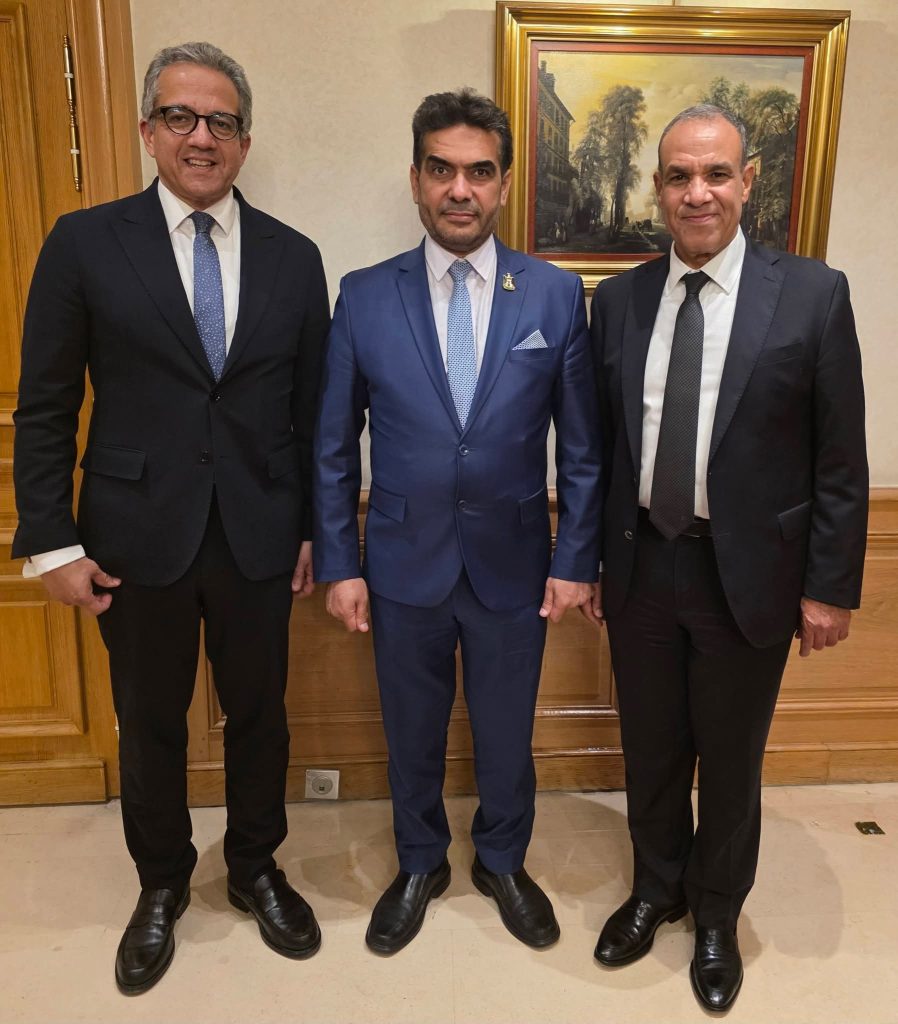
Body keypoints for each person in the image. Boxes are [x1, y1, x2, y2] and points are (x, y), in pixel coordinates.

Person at [12, 42, 330, 994]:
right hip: (132, 533)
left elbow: (312, 410)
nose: (202, 136)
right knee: (148, 719)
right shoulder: (83, 242)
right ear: (148, 130)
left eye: (221, 121)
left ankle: (255, 866)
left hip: (258, 532)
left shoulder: (294, 255)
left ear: (244, 141)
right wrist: (50, 540)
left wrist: (315, 529)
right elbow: (46, 405)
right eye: (181, 117)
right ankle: (161, 883)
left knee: (260, 715)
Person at [589, 104, 867, 1011]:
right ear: (658, 189)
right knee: (651, 748)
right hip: (641, 566)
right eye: (679, 176)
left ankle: (716, 913)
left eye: (716, 174)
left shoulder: (814, 295)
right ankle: (656, 887)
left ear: (749, 182)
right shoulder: (620, 302)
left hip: (748, 575)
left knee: (732, 758)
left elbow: (839, 460)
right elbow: (601, 448)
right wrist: (589, 560)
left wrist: (829, 588)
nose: (697, 192)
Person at [314, 88, 601, 955]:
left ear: (504, 183)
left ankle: (503, 861)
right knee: (411, 728)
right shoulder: (365, 295)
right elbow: (333, 445)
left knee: (507, 730)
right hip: (403, 558)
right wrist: (341, 562)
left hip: (515, 559)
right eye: (441, 169)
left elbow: (582, 449)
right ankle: (420, 861)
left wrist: (575, 557)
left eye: (479, 171)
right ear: (415, 179)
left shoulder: (554, 296)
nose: (460, 189)